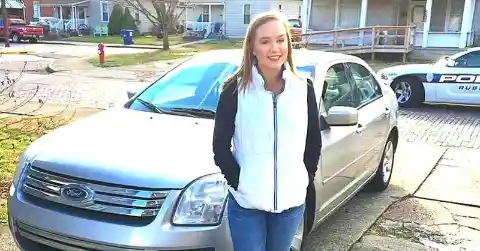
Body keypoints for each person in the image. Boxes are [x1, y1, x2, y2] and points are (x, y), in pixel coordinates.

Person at [212, 10, 322, 251]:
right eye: (265, 41)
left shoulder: (304, 88)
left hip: (291, 205)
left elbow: (313, 142)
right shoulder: (234, 91)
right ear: (252, 47)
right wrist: (240, 182)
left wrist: (303, 179)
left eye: (281, 39)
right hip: (247, 205)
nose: (275, 48)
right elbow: (220, 147)